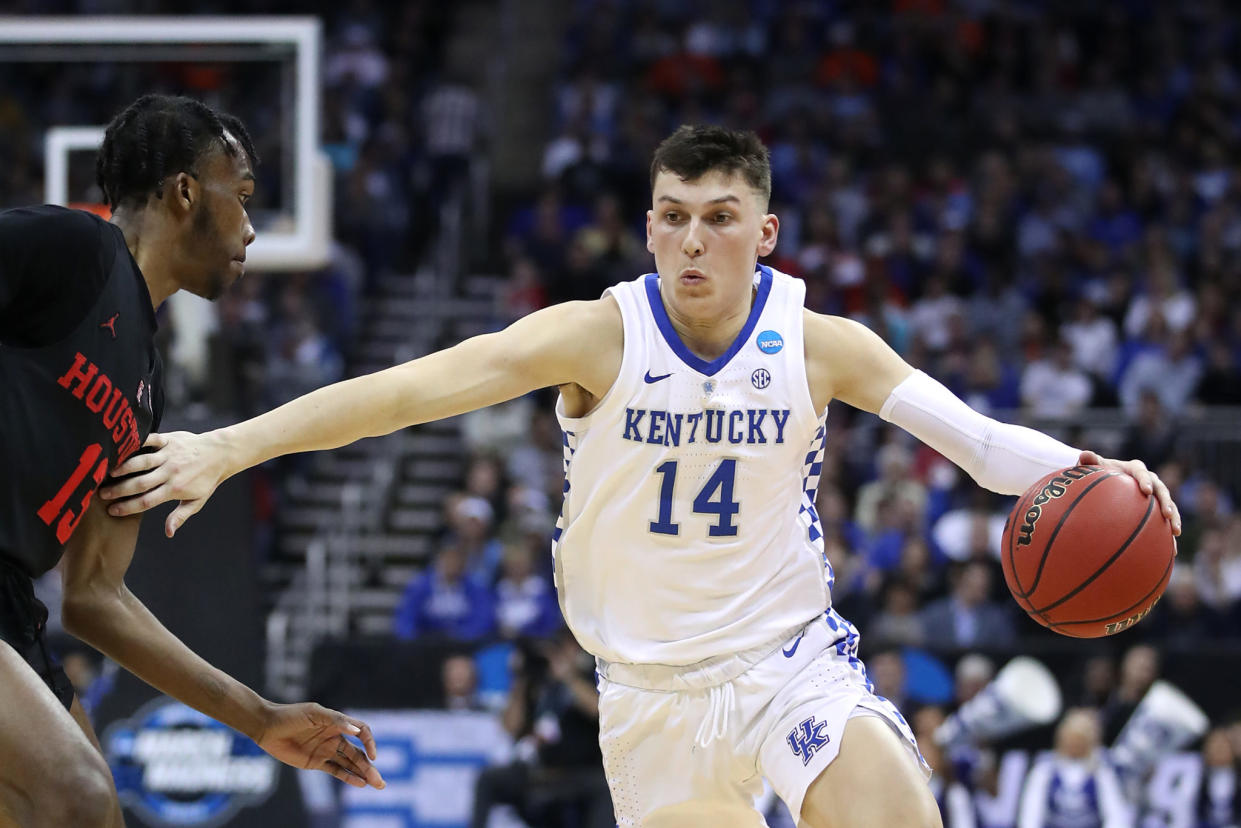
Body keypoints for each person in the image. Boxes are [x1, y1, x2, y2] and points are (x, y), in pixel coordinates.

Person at [102, 125, 1181, 828]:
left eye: (719, 218)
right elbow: (407, 390)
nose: (692, 239)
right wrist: (228, 444)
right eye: (672, 215)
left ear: (763, 231)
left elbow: (980, 445)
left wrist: (1102, 473)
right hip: (647, 699)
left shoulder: (817, 343)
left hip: (785, 664)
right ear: (648, 226)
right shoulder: (596, 335)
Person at [0, 94, 383, 828]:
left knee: (97, 813)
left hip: (16, 600)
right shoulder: (71, 249)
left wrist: (260, 717)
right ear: (183, 192)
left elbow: (93, 593)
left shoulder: (145, 385)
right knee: (72, 795)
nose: (248, 226)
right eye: (239, 198)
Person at [1017, 709, 1132, 828]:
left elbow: (1115, 815)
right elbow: (1031, 814)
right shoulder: (1045, 770)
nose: (1075, 744)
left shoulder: (1100, 772)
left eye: (1080, 740)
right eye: (1072, 738)